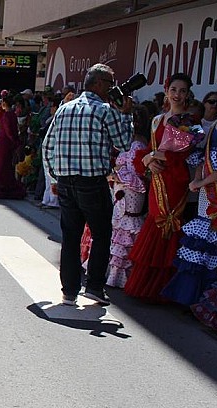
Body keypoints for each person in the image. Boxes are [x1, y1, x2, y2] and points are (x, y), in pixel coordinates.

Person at [42, 63, 133, 306]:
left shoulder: (64, 109)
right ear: (99, 84)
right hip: (92, 181)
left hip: (65, 181)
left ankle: (69, 291)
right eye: (111, 84)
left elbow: (47, 146)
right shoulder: (105, 110)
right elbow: (124, 144)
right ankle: (93, 286)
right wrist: (126, 114)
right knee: (102, 235)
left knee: (70, 237)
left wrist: (54, 177)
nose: (113, 89)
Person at [124, 73, 197, 302]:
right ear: (167, 90)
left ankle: (162, 288)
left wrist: (156, 156)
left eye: (182, 91)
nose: (177, 94)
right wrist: (147, 160)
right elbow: (148, 150)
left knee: (167, 223)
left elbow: (181, 155)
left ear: (187, 94)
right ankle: (146, 285)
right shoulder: (158, 120)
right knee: (153, 220)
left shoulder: (188, 122)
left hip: (174, 180)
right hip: (156, 179)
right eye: (174, 89)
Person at [161, 78, 217, 305]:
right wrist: (198, 177)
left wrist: (200, 183)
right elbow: (205, 153)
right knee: (202, 241)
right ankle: (193, 298)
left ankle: (210, 300)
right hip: (205, 189)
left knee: (215, 243)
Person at [106, 105, 150, 288]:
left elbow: (139, 175)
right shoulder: (126, 142)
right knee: (119, 227)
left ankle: (123, 276)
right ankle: (114, 274)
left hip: (132, 191)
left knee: (128, 227)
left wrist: (117, 175)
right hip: (120, 190)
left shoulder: (139, 144)